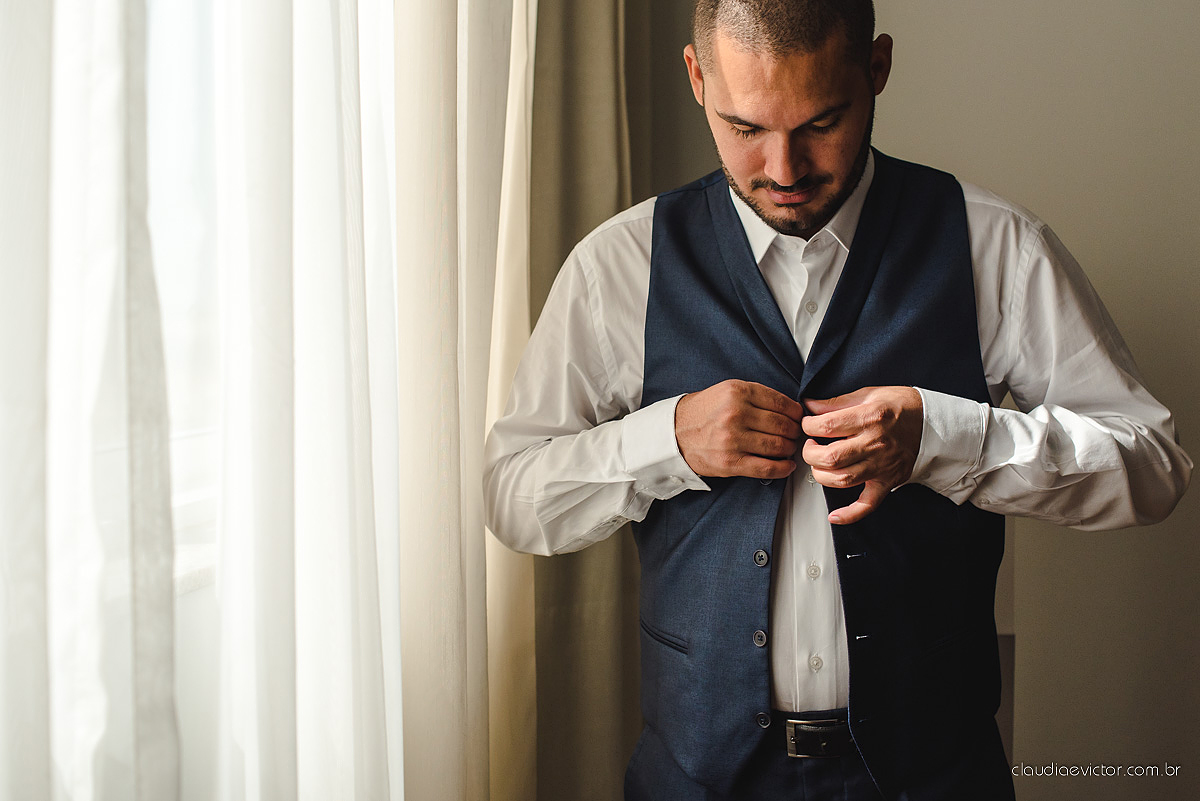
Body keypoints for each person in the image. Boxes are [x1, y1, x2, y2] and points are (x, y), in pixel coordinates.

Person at [484, 0, 1192, 798]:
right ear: (696, 77)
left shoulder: (993, 246)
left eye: (821, 122)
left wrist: (949, 437)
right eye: (746, 128)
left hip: (936, 777)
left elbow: (1153, 464)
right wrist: (667, 440)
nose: (784, 169)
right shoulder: (619, 265)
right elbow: (512, 495)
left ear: (877, 69)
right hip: (694, 780)